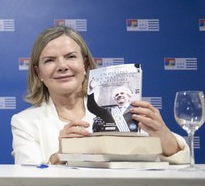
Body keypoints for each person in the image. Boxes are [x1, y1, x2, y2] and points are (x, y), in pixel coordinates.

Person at [10, 25, 188, 165]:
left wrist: (162, 133)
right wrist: (59, 156)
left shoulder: (122, 110)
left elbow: (181, 161)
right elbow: (26, 179)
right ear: (38, 72)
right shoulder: (25, 123)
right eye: (50, 60)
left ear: (85, 64)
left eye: (71, 57)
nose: (62, 66)